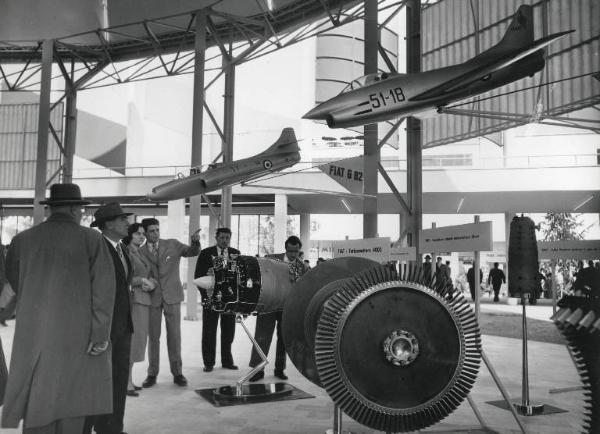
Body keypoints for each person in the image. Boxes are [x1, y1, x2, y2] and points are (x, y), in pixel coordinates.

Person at [2, 184, 116, 434]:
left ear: (51, 208)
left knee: (37, 395)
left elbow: (14, 280)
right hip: (78, 333)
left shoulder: (22, 240)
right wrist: (99, 335)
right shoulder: (92, 239)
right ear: (76, 208)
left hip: (34, 331)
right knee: (72, 400)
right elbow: (104, 291)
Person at [84, 202, 134, 434]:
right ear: (108, 224)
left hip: (123, 326)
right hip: (104, 328)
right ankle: (91, 427)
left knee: (119, 380)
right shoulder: (97, 247)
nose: (127, 223)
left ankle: (113, 428)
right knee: (97, 383)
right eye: (122, 219)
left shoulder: (121, 248)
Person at [139, 218, 201, 388]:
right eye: (152, 230)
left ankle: (178, 373)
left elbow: (191, 252)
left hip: (172, 296)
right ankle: (152, 374)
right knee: (153, 338)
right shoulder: (140, 251)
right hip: (152, 298)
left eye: (157, 229)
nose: (156, 233)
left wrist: (195, 242)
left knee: (174, 336)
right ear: (145, 233)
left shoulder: (172, 244)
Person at [249, 235, 309, 382]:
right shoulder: (271, 259)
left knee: (284, 339)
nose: (293, 254)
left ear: (299, 250)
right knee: (262, 337)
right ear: (285, 248)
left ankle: (279, 369)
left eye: (296, 251)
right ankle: (257, 370)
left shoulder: (304, 268)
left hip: (287, 308)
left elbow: (305, 288)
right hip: (268, 305)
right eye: (290, 251)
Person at [194, 227, 240, 372]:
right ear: (216, 237)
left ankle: (227, 361)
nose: (225, 240)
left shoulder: (236, 254)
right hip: (210, 299)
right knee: (209, 331)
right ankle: (208, 363)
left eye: (227, 238)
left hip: (229, 300)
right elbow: (198, 276)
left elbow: (239, 277)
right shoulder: (206, 253)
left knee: (228, 331)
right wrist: (206, 295)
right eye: (222, 238)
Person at [123, 223, 157, 396]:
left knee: (138, 342)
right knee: (133, 341)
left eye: (143, 234)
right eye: (138, 234)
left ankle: (128, 380)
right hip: (134, 300)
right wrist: (141, 281)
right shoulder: (127, 252)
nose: (142, 236)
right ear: (130, 235)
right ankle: (126, 382)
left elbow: (150, 274)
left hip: (144, 300)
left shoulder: (140, 253)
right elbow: (124, 276)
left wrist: (152, 282)